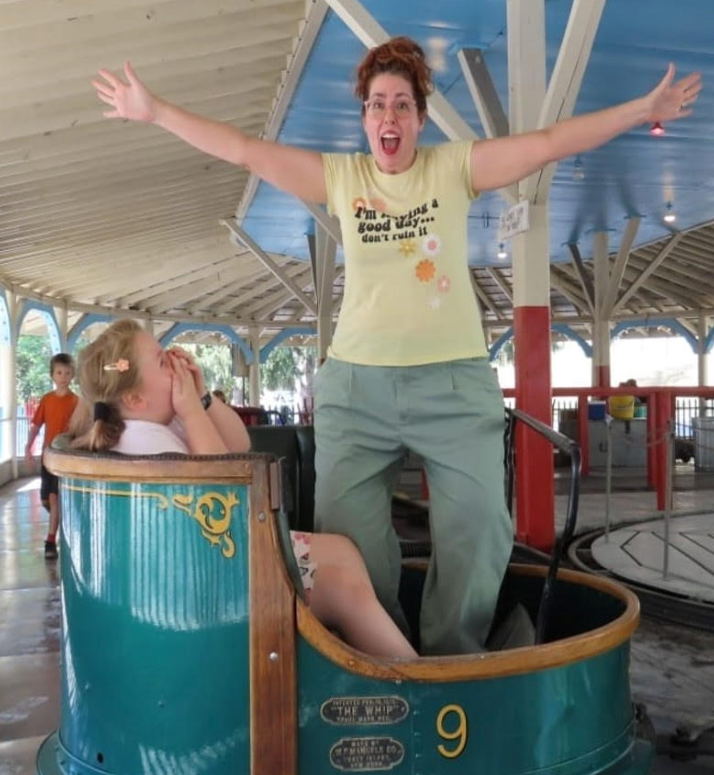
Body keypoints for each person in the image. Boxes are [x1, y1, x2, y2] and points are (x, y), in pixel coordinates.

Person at [92, 41, 701, 654]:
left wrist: (639, 108)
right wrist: (156, 112)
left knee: (481, 527)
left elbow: (547, 143)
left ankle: (451, 654)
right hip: (357, 388)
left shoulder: (453, 169)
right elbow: (246, 150)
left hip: (454, 383)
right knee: (349, 536)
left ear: (419, 118)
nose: (390, 117)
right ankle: (383, 653)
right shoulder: (341, 177)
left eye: (403, 106)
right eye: (378, 104)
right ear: (363, 117)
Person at [69, 319, 416, 660]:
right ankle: (409, 676)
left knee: (342, 551)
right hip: (214, 584)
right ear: (135, 397)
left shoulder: (155, 422)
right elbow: (226, 490)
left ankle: (369, 653)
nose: (175, 363)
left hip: (217, 562)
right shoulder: (147, 443)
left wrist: (201, 399)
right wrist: (191, 411)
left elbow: (239, 443)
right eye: (163, 362)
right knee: (343, 584)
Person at [25, 352, 78, 559]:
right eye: (59, 372)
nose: (63, 376)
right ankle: (62, 521)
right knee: (46, 499)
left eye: (67, 372)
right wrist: (28, 445)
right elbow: (37, 425)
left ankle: (50, 540)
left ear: (72, 375)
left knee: (54, 499)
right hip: (47, 456)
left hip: (63, 457)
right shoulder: (47, 400)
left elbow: (79, 430)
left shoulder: (76, 402)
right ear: (52, 375)